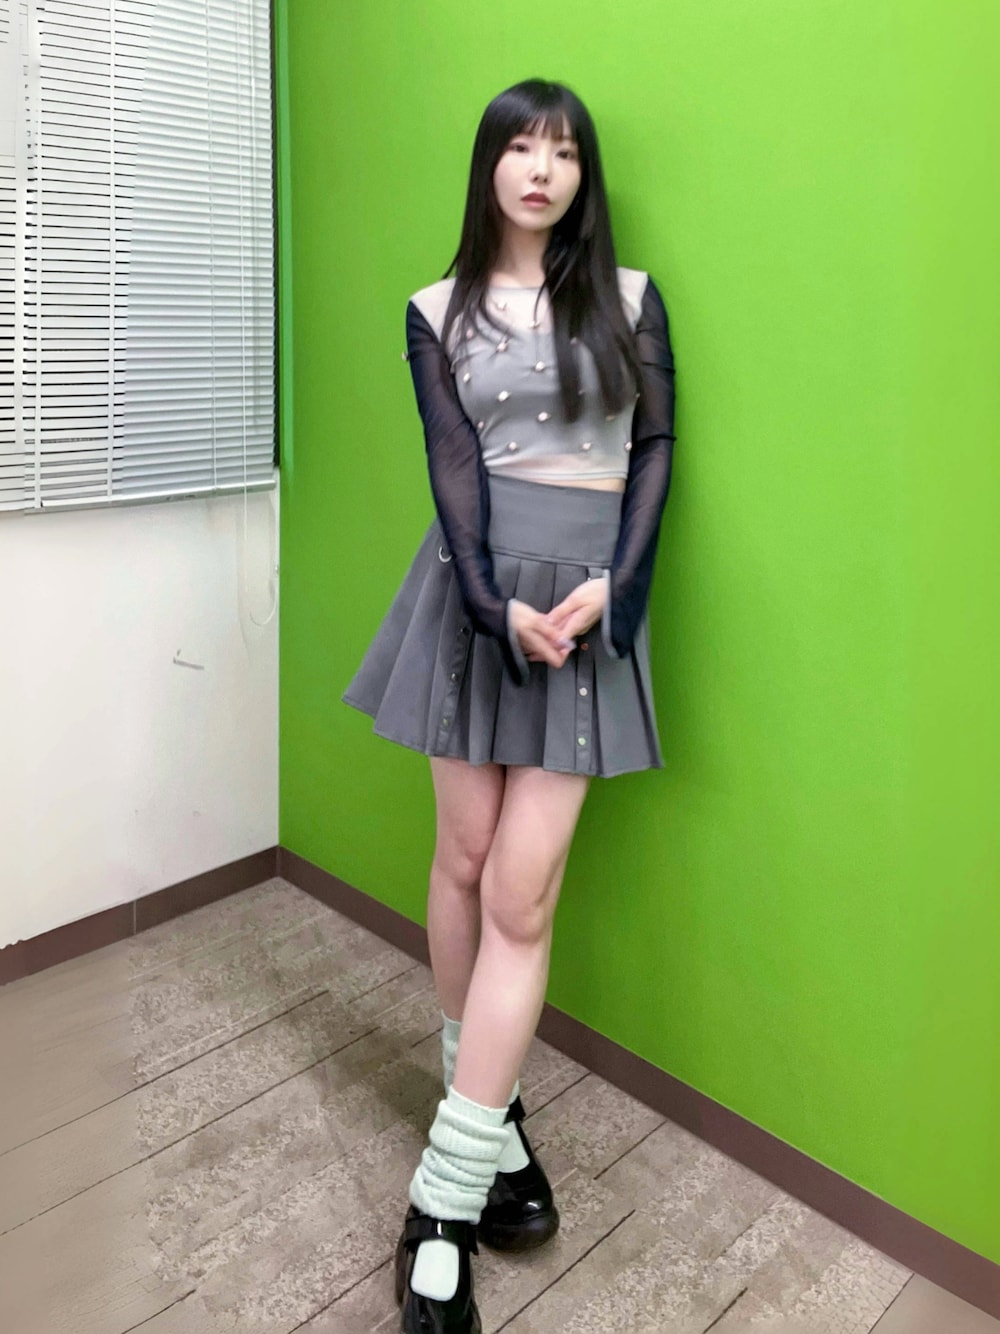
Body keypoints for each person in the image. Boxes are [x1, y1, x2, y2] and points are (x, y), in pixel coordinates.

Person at [342, 76, 676, 1334]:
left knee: (522, 893)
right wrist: (491, 606)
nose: (542, 168)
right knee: (468, 855)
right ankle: (489, 1115)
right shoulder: (435, 311)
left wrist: (615, 586)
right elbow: (452, 469)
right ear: (488, 166)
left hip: (583, 606)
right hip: (476, 600)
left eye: (565, 151)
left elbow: (655, 447)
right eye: (521, 147)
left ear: (584, 175)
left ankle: (439, 1199)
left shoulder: (631, 299)